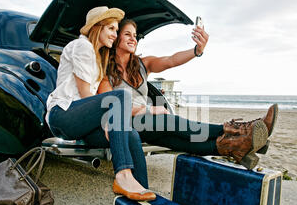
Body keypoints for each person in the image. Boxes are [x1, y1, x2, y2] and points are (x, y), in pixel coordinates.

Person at [99, 19, 278, 169]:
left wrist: (196, 51)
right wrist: (149, 109)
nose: (133, 39)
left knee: (178, 141)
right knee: (169, 122)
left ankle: (235, 145)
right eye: (127, 34)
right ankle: (237, 130)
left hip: (149, 125)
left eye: (135, 35)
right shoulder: (105, 75)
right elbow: (110, 107)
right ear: (116, 39)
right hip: (127, 125)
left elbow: (171, 60)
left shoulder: (142, 64)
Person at [46, 7, 155, 201]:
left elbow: (94, 100)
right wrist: (106, 120)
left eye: (115, 30)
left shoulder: (97, 57)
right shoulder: (82, 46)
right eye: (111, 29)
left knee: (131, 135)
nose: (115, 34)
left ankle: (140, 193)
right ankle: (122, 175)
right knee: (121, 96)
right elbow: (85, 94)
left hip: (82, 122)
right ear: (98, 27)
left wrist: (110, 121)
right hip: (63, 115)